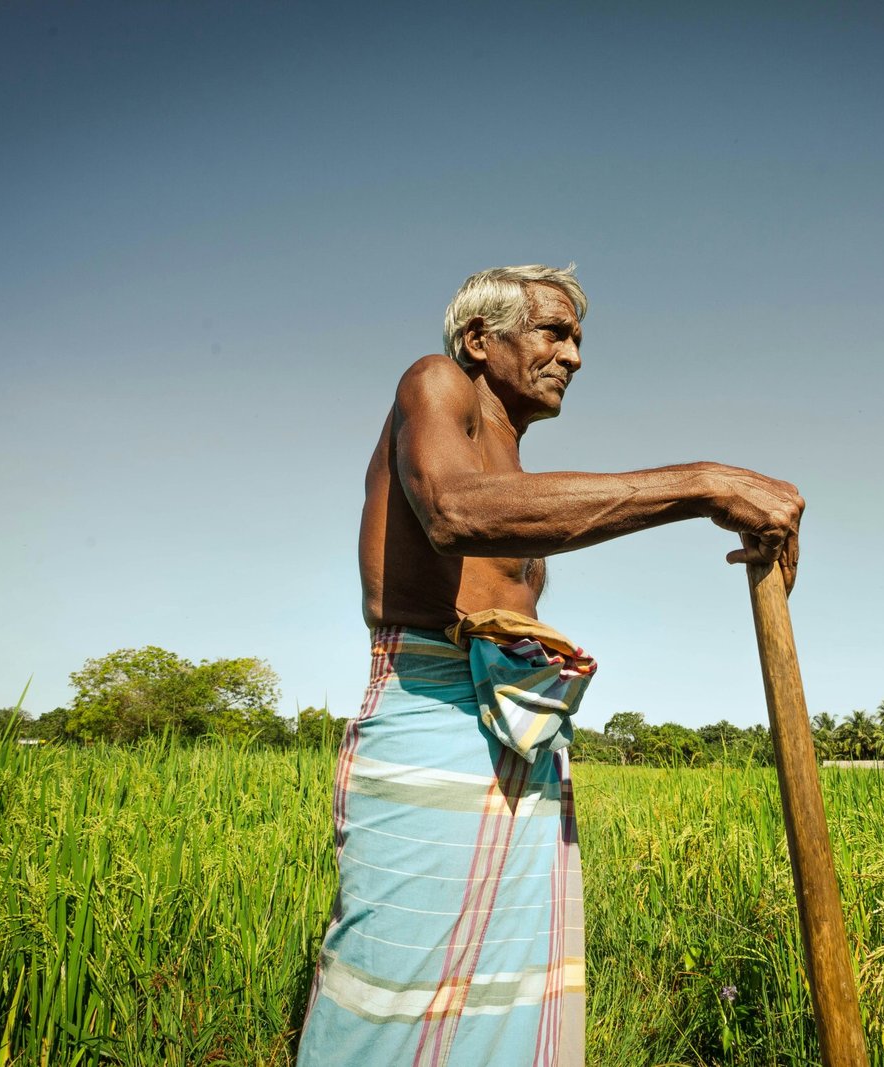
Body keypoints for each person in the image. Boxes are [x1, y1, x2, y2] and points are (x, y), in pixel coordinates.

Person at [298, 265, 802, 1065]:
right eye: (552, 332)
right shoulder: (433, 385)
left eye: (577, 339)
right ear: (478, 340)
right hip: (431, 715)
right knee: (393, 988)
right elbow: (455, 512)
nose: (573, 355)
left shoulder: (515, 463)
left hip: (518, 735)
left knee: (509, 984)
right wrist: (701, 484)